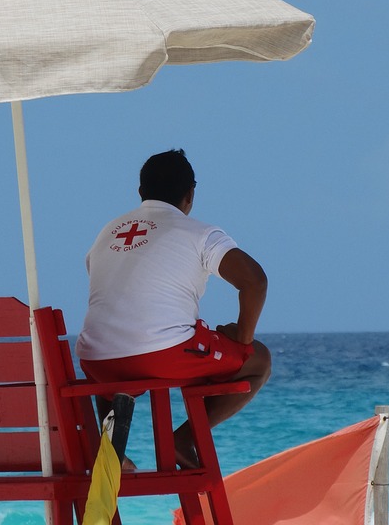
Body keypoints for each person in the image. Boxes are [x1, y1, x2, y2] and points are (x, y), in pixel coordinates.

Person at [76, 149, 271, 468]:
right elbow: (255, 282)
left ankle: (112, 452)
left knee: (112, 346)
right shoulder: (200, 234)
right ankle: (184, 438)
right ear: (190, 194)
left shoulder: (107, 232)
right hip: (163, 357)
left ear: (141, 192)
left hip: (97, 364)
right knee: (258, 360)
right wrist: (243, 342)